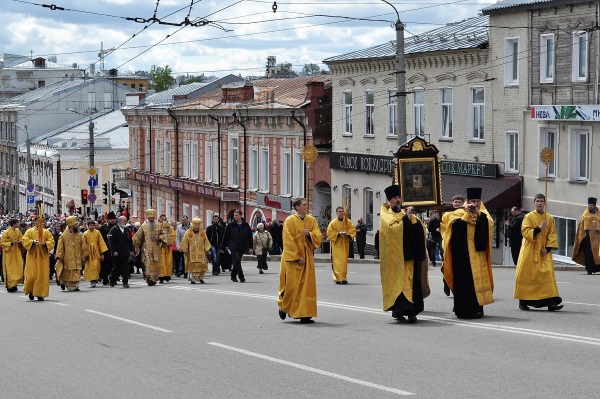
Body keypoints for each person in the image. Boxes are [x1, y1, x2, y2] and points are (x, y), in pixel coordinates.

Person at [379, 185, 430, 323]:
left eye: (399, 197)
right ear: (390, 201)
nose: (397, 200)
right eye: (394, 198)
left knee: (411, 283)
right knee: (400, 285)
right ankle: (399, 311)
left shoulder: (404, 213)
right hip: (395, 259)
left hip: (410, 257)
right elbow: (393, 229)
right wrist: (406, 219)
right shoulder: (385, 215)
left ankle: (412, 312)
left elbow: (420, 227)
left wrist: (411, 219)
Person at [442, 187, 494, 319]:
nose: (475, 204)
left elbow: (489, 226)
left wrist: (478, 214)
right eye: (472, 201)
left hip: (477, 255)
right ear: (467, 201)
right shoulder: (458, 213)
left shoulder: (483, 214)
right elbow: (454, 230)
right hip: (462, 257)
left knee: (476, 284)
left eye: (477, 201)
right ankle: (463, 311)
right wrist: (466, 215)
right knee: (464, 284)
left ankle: (477, 309)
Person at [277, 198, 323, 324]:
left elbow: (318, 236)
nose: (306, 207)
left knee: (307, 286)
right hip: (293, 258)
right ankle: (284, 307)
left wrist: (309, 235)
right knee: (292, 286)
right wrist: (297, 257)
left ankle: (305, 314)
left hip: (307, 256)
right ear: (297, 207)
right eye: (303, 205)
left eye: (306, 204)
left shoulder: (311, 220)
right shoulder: (290, 221)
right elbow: (288, 240)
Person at [514, 194, 563, 311]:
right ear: (534, 202)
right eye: (537, 201)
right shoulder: (528, 217)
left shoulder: (549, 218)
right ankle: (523, 302)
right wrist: (539, 228)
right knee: (527, 275)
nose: (539, 203)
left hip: (543, 251)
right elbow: (525, 232)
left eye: (541, 201)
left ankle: (551, 303)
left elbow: (552, 234)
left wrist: (548, 248)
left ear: (544, 203)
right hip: (530, 250)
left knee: (547, 275)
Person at [22, 215, 55, 301]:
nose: (41, 223)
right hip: (32, 255)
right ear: (34, 222)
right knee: (31, 275)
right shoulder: (29, 231)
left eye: (42, 222)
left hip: (42, 256)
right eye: (39, 222)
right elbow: (24, 240)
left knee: (42, 275)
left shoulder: (46, 232)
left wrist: (45, 244)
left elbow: (51, 241)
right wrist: (32, 242)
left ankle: (40, 294)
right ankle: (31, 291)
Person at [133, 209, 168, 286]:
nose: (151, 219)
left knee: (155, 263)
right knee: (148, 263)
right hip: (146, 248)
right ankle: (149, 278)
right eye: (150, 218)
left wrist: (158, 238)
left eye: (153, 217)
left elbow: (164, 235)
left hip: (156, 248)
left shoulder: (159, 225)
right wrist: (136, 246)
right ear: (148, 217)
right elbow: (138, 237)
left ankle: (154, 278)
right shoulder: (144, 226)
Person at [440, 194, 465, 296]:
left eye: (459, 202)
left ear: (463, 203)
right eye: (456, 202)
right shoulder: (447, 215)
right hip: (448, 243)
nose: (457, 204)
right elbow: (443, 229)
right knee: (446, 265)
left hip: (461, 244)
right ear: (452, 203)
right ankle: (446, 282)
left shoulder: (465, 213)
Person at [55, 216, 89, 292]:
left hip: (77, 256)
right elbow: (60, 246)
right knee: (68, 271)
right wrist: (59, 256)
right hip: (67, 257)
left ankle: (75, 285)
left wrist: (85, 254)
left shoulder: (79, 235)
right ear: (71, 225)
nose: (77, 225)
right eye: (75, 224)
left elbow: (83, 244)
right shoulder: (63, 236)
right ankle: (66, 284)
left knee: (76, 270)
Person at [221, 210, 253, 283]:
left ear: (241, 215)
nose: (235, 217)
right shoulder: (231, 225)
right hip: (233, 245)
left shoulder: (246, 225)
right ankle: (241, 276)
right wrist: (223, 247)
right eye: (234, 215)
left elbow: (250, 236)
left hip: (242, 245)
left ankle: (233, 275)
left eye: (236, 215)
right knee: (237, 260)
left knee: (237, 262)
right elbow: (226, 236)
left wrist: (250, 246)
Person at [326, 206, 356, 284]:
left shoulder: (348, 222)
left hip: (344, 244)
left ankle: (343, 277)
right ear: (336, 213)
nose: (341, 213)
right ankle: (338, 277)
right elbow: (329, 233)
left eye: (342, 211)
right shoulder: (333, 223)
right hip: (336, 245)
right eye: (340, 211)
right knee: (337, 262)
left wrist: (348, 234)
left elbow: (353, 230)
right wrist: (338, 234)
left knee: (343, 262)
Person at [572, 197, 600, 274]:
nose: (590, 206)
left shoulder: (598, 214)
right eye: (589, 205)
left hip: (597, 238)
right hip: (587, 238)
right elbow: (581, 226)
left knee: (598, 253)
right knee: (588, 255)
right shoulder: (585, 214)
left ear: (594, 205)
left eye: (591, 205)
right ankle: (589, 270)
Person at [180, 217, 211, 284]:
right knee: (192, 266)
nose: (196, 229)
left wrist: (207, 249)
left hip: (200, 252)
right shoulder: (188, 232)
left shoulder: (202, 232)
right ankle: (192, 279)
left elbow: (206, 241)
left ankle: (200, 278)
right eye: (195, 228)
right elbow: (184, 241)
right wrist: (185, 250)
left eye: (197, 228)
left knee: (201, 265)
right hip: (191, 253)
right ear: (192, 226)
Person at [108, 216, 134, 288]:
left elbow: (130, 241)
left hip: (125, 252)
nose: (126, 222)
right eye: (125, 221)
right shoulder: (113, 230)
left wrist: (131, 250)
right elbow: (111, 242)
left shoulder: (127, 230)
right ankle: (112, 278)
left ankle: (125, 282)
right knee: (117, 267)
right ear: (120, 221)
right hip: (117, 253)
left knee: (126, 267)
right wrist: (114, 251)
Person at [82, 221, 108, 288]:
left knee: (97, 266)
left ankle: (96, 277)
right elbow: (83, 245)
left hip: (96, 252)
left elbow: (101, 243)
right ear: (88, 226)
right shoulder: (85, 234)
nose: (92, 226)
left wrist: (102, 253)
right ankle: (92, 280)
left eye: (93, 225)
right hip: (89, 253)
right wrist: (84, 255)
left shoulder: (98, 233)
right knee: (90, 267)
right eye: (91, 225)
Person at [1, 219, 23, 292]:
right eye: (17, 223)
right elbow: (2, 242)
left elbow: (21, 238)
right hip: (9, 253)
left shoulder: (17, 231)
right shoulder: (6, 232)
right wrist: (11, 243)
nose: (18, 224)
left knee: (18, 267)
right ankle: (10, 285)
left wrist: (20, 241)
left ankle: (15, 284)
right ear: (14, 224)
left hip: (16, 252)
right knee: (10, 269)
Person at [99, 212, 117, 285]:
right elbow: (99, 239)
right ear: (108, 220)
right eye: (111, 219)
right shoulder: (103, 228)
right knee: (105, 265)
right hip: (105, 248)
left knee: (114, 264)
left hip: (114, 248)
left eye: (113, 219)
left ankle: (113, 278)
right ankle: (105, 278)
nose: (112, 221)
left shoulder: (116, 227)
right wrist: (106, 237)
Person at [158, 214, 176, 284]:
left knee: (168, 262)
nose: (163, 220)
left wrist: (169, 242)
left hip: (168, 248)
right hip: (161, 247)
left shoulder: (170, 228)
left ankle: (167, 275)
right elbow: (157, 235)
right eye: (162, 219)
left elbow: (173, 235)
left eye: (164, 219)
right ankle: (161, 277)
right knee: (162, 262)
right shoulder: (158, 227)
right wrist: (161, 241)